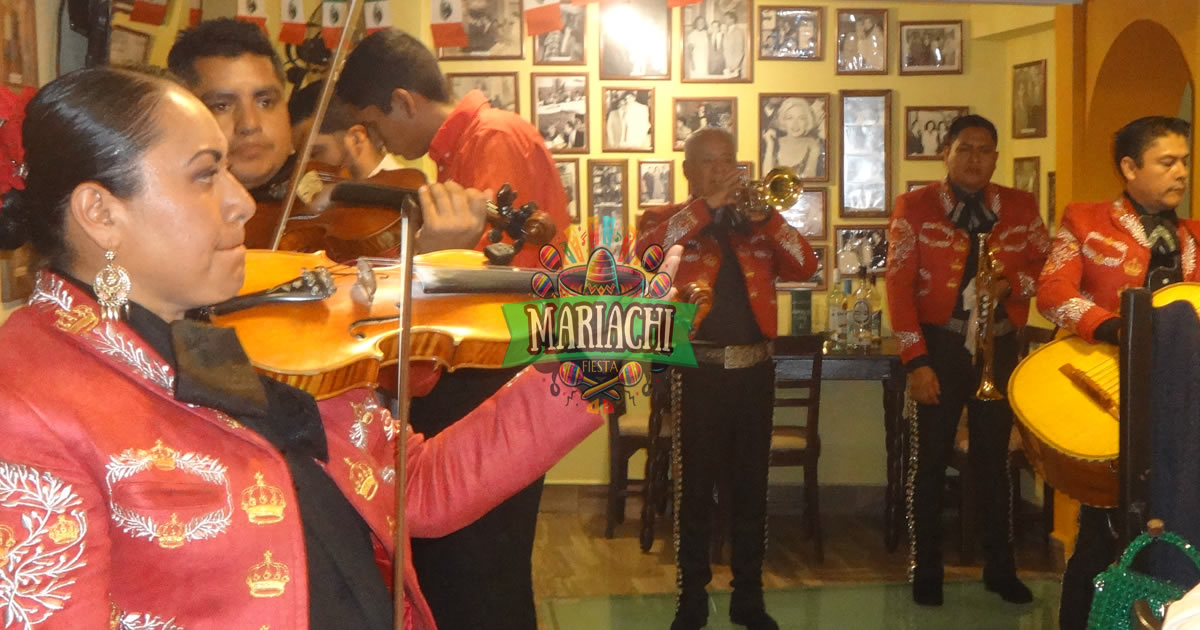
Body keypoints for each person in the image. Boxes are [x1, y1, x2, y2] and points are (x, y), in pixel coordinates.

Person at [0, 65, 604, 630]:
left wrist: (592, 364)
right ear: (100, 212)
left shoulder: (244, 331)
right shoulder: (26, 405)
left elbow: (412, 484)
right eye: (206, 174)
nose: (239, 200)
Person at [334, 29, 570, 630]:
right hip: (475, 373)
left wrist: (432, 259)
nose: (383, 141)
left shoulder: (492, 140)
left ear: (405, 102)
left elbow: (480, 279)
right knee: (468, 568)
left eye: (378, 124)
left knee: (479, 569)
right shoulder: (462, 149)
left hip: (486, 375)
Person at [637, 128, 817, 630]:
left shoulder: (757, 223)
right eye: (709, 162)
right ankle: (691, 599)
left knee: (750, 491)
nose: (722, 170)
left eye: (728, 161)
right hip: (696, 373)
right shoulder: (667, 220)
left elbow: (807, 263)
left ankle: (748, 599)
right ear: (690, 170)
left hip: (754, 372)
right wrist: (705, 207)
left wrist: (769, 217)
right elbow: (648, 254)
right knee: (693, 492)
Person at [1037, 116, 1200, 630]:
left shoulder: (1195, 236)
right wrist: (1114, 330)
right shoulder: (1085, 221)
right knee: (1102, 535)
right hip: (1106, 395)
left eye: (1186, 162)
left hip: (1181, 406)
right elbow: (1052, 293)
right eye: (1167, 162)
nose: (1181, 174)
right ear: (1130, 168)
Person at [885, 114, 1048, 607]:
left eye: (984, 150)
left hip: (997, 350)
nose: (975, 158)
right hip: (940, 347)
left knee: (993, 463)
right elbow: (897, 286)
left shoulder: (1020, 206)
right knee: (930, 462)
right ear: (946, 154)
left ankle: (1001, 568)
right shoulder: (915, 207)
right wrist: (916, 362)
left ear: (996, 158)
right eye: (965, 148)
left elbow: (1049, 267)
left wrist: (1011, 285)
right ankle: (926, 569)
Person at [335, 29, 569, 271]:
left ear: (403, 103)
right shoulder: (456, 152)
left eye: (373, 125)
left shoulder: (493, 136)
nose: (376, 141)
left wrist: (428, 255)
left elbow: (496, 275)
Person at [288, 80, 402, 181]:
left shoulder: (405, 194)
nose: (304, 168)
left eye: (314, 153)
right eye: (299, 157)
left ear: (356, 139)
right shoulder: (337, 196)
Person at [762, 97, 823, 177]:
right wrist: (770, 146)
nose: (795, 124)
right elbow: (767, 177)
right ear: (783, 121)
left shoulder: (813, 145)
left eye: (801, 118)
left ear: (807, 121)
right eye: (790, 118)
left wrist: (815, 152)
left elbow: (809, 179)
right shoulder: (775, 143)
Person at [721, 11, 746, 78]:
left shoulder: (738, 31)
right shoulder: (726, 31)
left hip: (734, 68)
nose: (724, 20)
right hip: (727, 66)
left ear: (732, 19)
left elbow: (740, 50)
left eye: (726, 18)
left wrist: (735, 66)